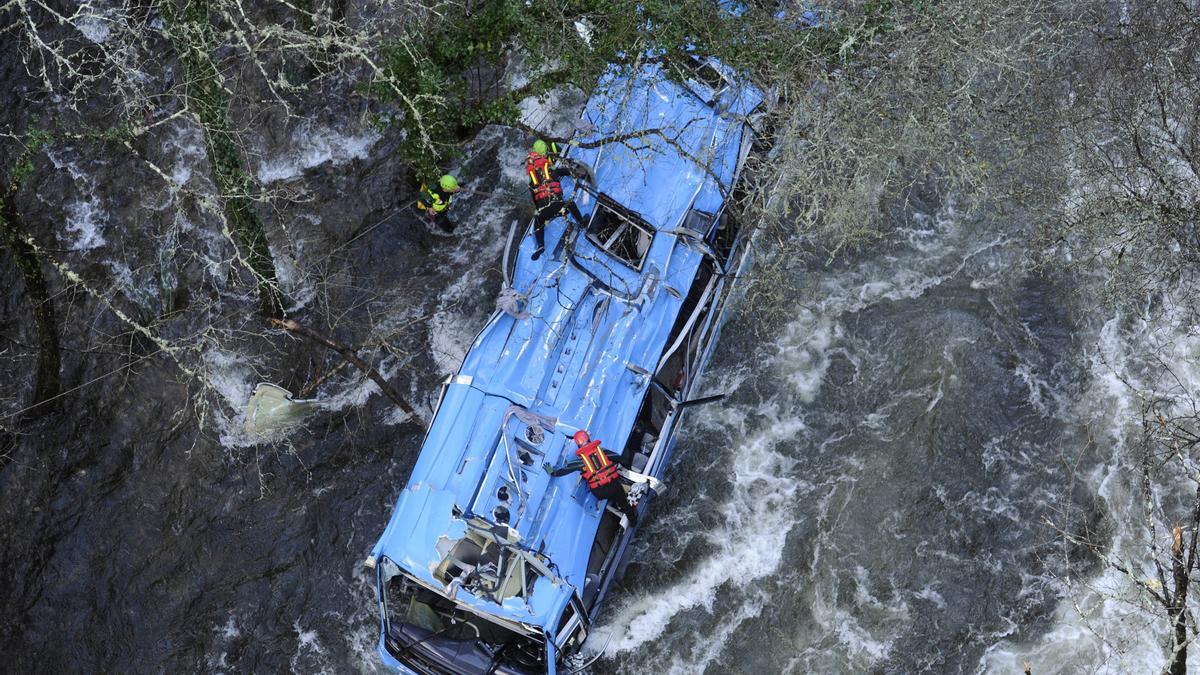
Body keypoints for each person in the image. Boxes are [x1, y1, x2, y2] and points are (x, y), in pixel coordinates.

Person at [526, 140, 587, 260]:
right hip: (559, 207)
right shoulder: (552, 169)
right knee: (571, 205)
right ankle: (581, 223)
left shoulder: (531, 179)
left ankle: (540, 245)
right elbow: (568, 171)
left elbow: (535, 200)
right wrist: (579, 173)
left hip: (545, 212)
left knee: (538, 221)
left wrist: (540, 210)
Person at [571, 430, 638, 524]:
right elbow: (619, 458)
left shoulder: (579, 461)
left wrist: (553, 472)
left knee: (603, 489)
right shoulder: (601, 451)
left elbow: (564, 470)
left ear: (578, 445)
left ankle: (615, 502)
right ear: (589, 439)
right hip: (614, 486)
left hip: (600, 493)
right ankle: (633, 520)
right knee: (622, 500)